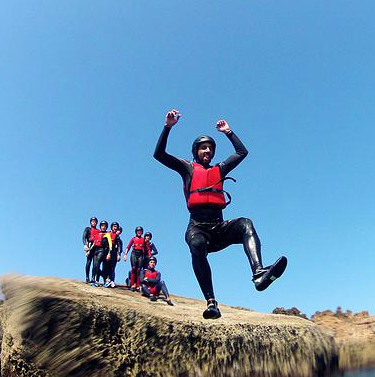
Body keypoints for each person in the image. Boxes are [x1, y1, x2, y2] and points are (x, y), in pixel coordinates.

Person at [153, 108, 287, 319]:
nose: (207, 151)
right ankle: (211, 302)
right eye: (203, 148)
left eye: (210, 148)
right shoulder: (187, 168)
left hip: (218, 228)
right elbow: (159, 154)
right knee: (196, 245)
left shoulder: (221, 169)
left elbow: (242, 152)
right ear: (196, 150)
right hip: (197, 229)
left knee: (245, 223)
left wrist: (229, 132)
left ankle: (259, 273)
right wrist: (167, 127)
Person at [124, 226, 150, 291]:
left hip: (140, 254)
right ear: (136, 232)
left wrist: (150, 256)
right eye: (138, 231)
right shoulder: (133, 239)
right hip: (134, 253)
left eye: (140, 231)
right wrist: (125, 254)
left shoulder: (144, 239)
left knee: (139, 269)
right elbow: (128, 246)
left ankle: (138, 285)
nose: (139, 232)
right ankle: (132, 284)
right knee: (133, 268)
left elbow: (148, 249)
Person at [90, 220, 112, 287]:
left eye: (104, 226)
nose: (103, 227)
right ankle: (99, 280)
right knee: (95, 266)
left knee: (98, 264)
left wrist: (109, 253)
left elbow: (110, 245)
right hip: (95, 250)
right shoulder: (97, 234)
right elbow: (94, 243)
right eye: (102, 226)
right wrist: (89, 250)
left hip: (102, 250)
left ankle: (99, 280)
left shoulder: (107, 234)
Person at [103, 221, 121, 288]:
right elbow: (104, 242)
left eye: (116, 227)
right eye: (114, 226)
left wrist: (119, 254)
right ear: (111, 227)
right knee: (105, 267)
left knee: (112, 267)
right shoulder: (108, 234)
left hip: (113, 253)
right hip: (107, 251)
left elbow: (119, 246)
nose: (115, 228)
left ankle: (112, 280)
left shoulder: (117, 236)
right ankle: (106, 280)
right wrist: (107, 253)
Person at [82, 216, 98, 283]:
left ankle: (93, 278)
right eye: (92, 221)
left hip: (96, 247)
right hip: (89, 246)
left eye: (95, 222)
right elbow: (84, 237)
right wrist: (85, 245)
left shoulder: (98, 231)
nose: (93, 223)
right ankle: (87, 277)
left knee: (95, 263)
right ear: (90, 222)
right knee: (88, 262)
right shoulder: (87, 229)